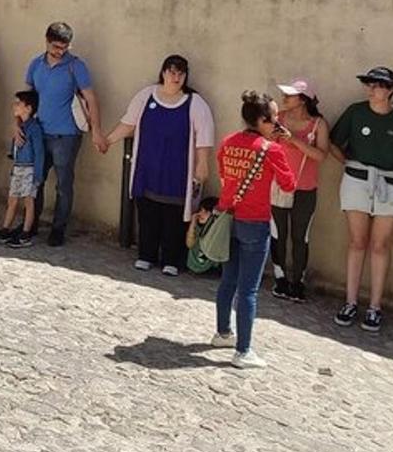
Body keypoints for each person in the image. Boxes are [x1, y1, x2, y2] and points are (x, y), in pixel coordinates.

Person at [330, 67, 393, 334]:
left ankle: (375, 306)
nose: (372, 89)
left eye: (378, 85)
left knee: (380, 245)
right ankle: (350, 302)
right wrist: (350, 166)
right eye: (369, 84)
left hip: (391, 182)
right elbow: (334, 143)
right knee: (357, 241)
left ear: (390, 90)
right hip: (358, 179)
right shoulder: (355, 111)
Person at [101, 55, 215, 276]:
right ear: (163, 72)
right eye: (172, 72)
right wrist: (107, 140)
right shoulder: (146, 97)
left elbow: (204, 137)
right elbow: (128, 123)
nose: (176, 77)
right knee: (148, 214)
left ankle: (171, 259)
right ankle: (146, 255)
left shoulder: (195, 104)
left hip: (178, 173)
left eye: (181, 73)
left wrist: (202, 164)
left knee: (174, 217)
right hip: (148, 169)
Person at [211, 91, 296, 369]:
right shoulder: (271, 150)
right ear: (262, 120)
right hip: (255, 221)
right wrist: (282, 145)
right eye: (274, 117)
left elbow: (225, 176)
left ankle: (222, 332)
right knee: (248, 290)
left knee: (228, 281)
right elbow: (288, 185)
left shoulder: (227, 143)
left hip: (228, 217)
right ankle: (243, 350)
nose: (277, 121)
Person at [16, 22, 105, 246]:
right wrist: (17, 124)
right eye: (56, 47)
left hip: (67, 135)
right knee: (35, 180)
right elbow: (26, 98)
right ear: (47, 41)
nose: (60, 51)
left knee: (63, 185)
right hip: (38, 132)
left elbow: (91, 98)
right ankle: (30, 223)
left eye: (64, 47)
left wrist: (97, 132)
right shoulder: (36, 64)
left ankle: (58, 229)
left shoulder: (76, 66)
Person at [269, 79, 330, 303]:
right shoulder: (279, 118)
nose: (285, 98)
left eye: (290, 95)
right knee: (278, 232)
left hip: (305, 188)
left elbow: (322, 155)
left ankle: (298, 282)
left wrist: (293, 140)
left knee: (299, 235)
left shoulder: (318, 124)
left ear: (303, 100)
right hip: (277, 185)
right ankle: (280, 278)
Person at [0, 90, 44, 247]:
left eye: (18, 103)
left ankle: (25, 233)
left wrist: (38, 176)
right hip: (18, 167)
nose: (15, 106)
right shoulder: (20, 126)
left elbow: (39, 153)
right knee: (12, 199)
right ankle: (5, 229)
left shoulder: (34, 129)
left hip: (29, 169)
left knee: (29, 201)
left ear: (28, 108)